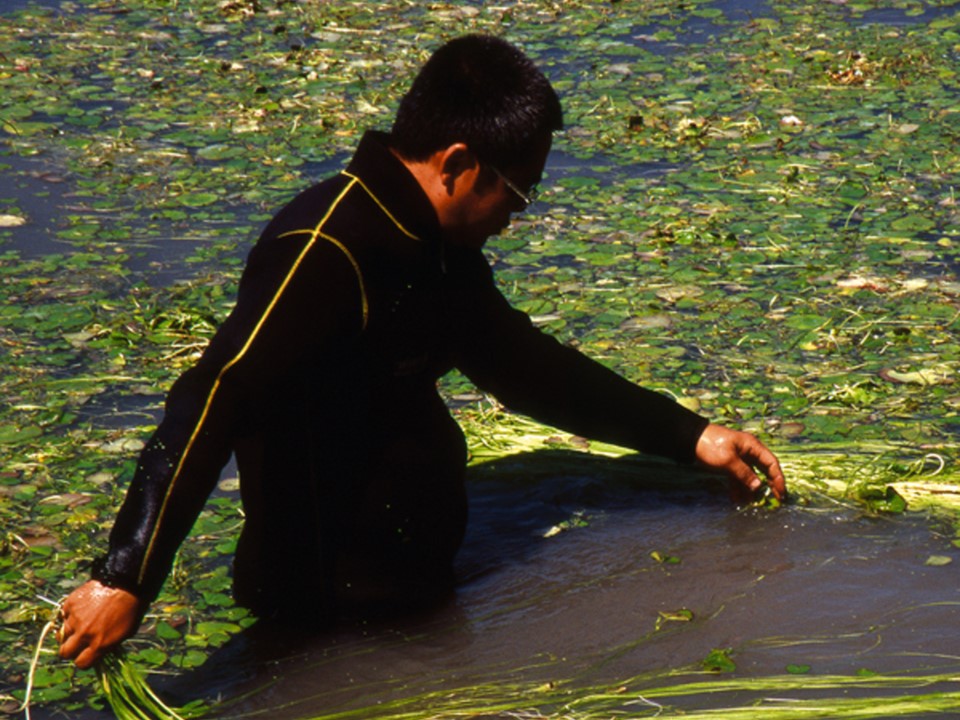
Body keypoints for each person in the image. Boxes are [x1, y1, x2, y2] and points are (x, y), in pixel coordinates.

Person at [59, 34, 785, 670]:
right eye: (518, 196)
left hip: (415, 601)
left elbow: (527, 369)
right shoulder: (326, 250)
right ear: (460, 162)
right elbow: (215, 398)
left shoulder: (433, 248)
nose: (513, 218)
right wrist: (127, 576)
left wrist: (690, 436)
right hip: (330, 621)